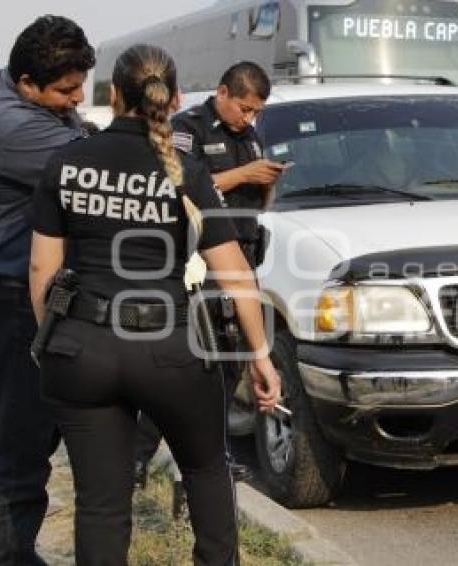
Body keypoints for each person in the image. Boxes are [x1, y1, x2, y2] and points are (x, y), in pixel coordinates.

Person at [29, 44, 281, 564]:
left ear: (114, 93)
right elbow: (234, 273)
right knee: (207, 470)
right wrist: (260, 356)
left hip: (85, 349)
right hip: (170, 348)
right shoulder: (184, 170)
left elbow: (41, 271)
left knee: (100, 503)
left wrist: (51, 339)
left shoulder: (67, 160)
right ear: (175, 97)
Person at [0, 16, 95, 564]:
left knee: (31, 435)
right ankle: (8, 556)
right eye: (66, 90)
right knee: (15, 444)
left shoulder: (13, 102)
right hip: (6, 297)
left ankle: (16, 549)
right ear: (27, 83)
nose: (78, 98)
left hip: (14, 292)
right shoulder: (12, 126)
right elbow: (95, 166)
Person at [134, 62, 286, 482]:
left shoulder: (250, 136)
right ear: (222, 92)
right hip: (204, 263)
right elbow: (182, 184)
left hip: (244, 256)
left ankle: (212, 456)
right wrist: (244, 174)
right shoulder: (190, 127)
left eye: (256, 112)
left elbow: (255, 200)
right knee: (186, 366)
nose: (249, 118)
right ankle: (136, 457)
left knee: (230, 364)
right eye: (244, 108)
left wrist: (267, 180)